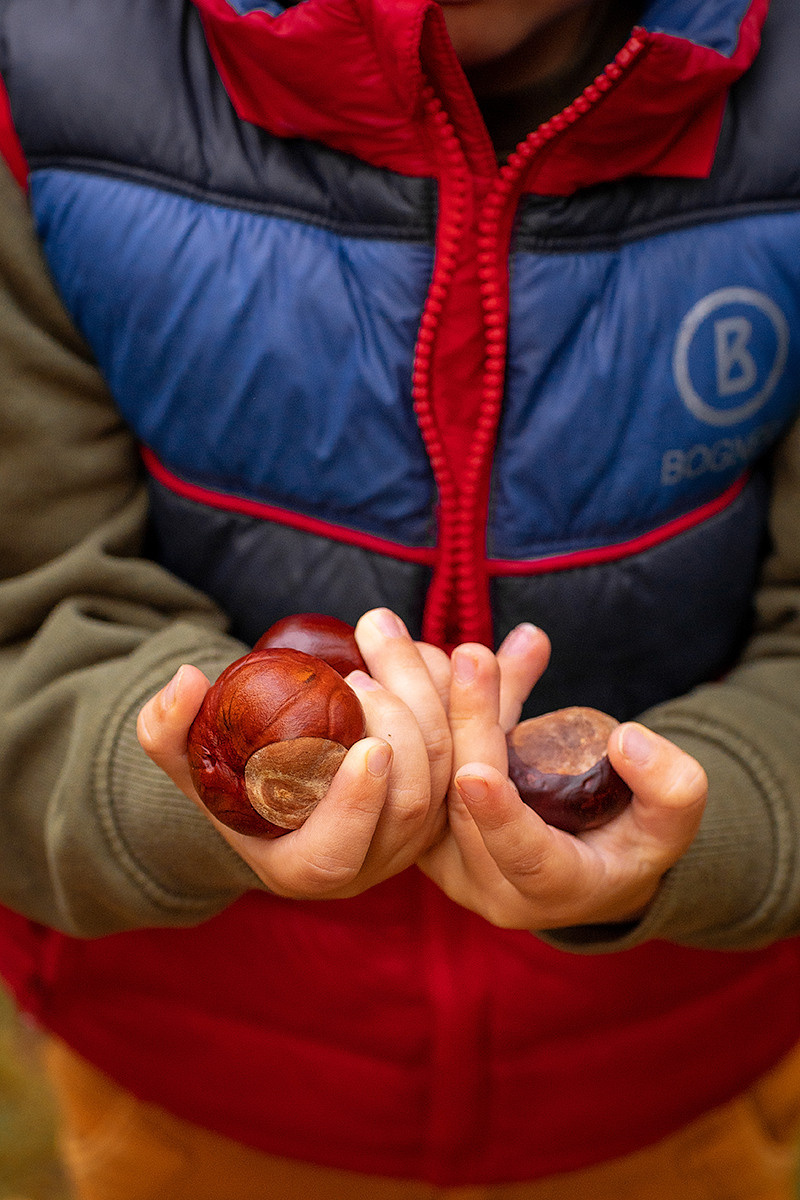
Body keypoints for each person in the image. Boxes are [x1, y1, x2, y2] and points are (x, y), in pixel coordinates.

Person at [1, 0, 800, 1196]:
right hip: (203, 1074)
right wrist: (175, 785)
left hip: (673, 1069)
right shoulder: (40, 84)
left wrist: (713, 827)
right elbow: (25, 610)